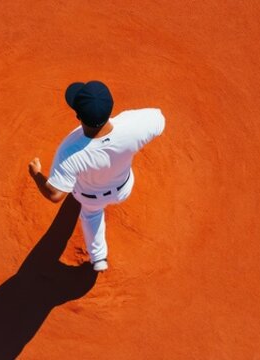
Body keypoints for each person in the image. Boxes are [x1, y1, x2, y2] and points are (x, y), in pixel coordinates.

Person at [27, 80, 165, 272]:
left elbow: (55, 195)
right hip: (124, 189)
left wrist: (36, 174)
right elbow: (159, 120)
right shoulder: (134, 125)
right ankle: (98, 258)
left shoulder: (69, 150)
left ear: (78, 115)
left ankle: (99, 258)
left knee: (91, 215)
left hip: (90, 196)